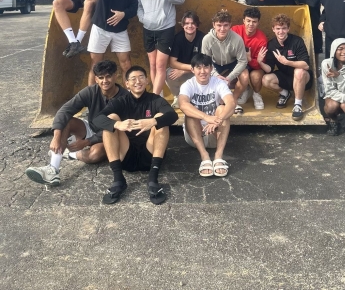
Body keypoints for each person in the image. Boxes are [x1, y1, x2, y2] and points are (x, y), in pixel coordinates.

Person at [25, 60, 127, 186]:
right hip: (90, 127)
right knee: (66, 121)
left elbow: (119, 128)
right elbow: (64, 111)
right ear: (96, 79)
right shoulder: (90, 91)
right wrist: (56, 136)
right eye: (101, 77)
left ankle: (71, 154)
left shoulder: (125, 98)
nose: (104, 81)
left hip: (109, 134)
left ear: (115, 76)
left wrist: (88, 142)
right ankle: (53, 169)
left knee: (95, 155)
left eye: (108, 76)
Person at [93, 65, 178, 205]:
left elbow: (173, 116)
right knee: (111, 119)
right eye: (133, 79)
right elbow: (97, 119)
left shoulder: (155, 100)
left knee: (160, 117)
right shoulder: (120, 101)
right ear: (127, 83)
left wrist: (153, 121)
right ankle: (118, 179)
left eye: (141, 78)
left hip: (149, 155)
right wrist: (118, 124)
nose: (137, 81)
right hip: (126, 155)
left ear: (147, 81)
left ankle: (153, 179)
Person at [136, 0, 185, 96]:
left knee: (160, 65)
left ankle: (154, 98)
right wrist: (142, 18)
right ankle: (159, 95)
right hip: (148, 27)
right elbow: (139, 6)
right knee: (152, 64)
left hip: (166, 26)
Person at [179, 53, 236, 177]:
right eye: (198, 68)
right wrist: (206, 118)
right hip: (195, 136)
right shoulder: (187, 85)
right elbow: (182, 104)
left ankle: (218, 156)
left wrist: (218, 120)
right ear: (192, 70)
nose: (202, 71)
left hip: (215, 133)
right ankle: (204, 157)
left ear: (211, 69)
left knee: (222, 109)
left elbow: (231, 103)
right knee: (190, 113)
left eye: (206, 67)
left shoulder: (218, 83)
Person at [86, 0, 138, 86]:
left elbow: (134, 7)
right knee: (96, 65)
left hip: (120, 30)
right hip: (100, 28)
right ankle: (92, 99)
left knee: (126, 63)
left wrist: (123, 14)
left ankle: (129, 97)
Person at [261, 14, 313, 121]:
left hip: (303, 78)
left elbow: (306, 65)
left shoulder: (297, 41)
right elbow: (270, 69)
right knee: (266, 79)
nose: (281, 31)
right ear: (273, 29)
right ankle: (285, 94)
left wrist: (287, 62)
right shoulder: (271, 45)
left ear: (288, 28)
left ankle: (298, 105)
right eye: (278, 28)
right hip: (285, 77)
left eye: (284, 28)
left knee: (299, 71)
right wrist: (259, 62)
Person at [201, 10, 248, 114]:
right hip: (215, 65)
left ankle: (233, 100)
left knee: (245, 76)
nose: (222, 29)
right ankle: (217, 101)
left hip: (233, 63)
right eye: (219, 25)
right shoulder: (207, 39)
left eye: (225, 25)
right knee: (203, 73)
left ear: (230, 25)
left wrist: (229, 78)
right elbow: (206, 62)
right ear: (213, 25)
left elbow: (242, 61)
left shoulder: (237, 39)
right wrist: (216, 75)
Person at [166, 11, 205, 108]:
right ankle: (178, 96)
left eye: (192, 23)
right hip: (189, 69)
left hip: (198, 71)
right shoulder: (178, 38)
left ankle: (197, 97)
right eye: (187, 23)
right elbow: (172, 62)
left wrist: (184, 71)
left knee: (207, 72)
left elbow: (203, 63)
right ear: (183, 25)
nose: (190, 26)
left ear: (197, 25)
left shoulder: (203, 38)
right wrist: (188, 69)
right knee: (169, 73)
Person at [231, 7, 268, 110]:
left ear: (258, 22)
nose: (251, 24)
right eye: (248, 21)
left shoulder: (262, 40)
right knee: (228, 76)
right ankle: (245, 89)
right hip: (236, 64)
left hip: (253, 66)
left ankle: (256, 94)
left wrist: (249, 59)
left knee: (256, 77)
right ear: (244, 21)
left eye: (254, 22)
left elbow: (260, 63)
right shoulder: (234, 30)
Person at [295, 0, 323, 75]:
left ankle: (316, 75)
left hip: (314, 23)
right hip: (298, 23)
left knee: (315, 50)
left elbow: (313, 2)